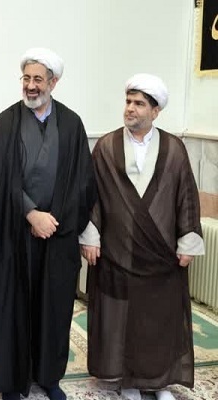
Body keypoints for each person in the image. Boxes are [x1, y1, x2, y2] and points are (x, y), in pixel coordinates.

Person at [0, 48, 96, 400]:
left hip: (56, 235)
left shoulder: (72, 125)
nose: (30, 86)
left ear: (53, 83)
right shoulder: (6, 122)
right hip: (12, 236)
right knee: (10, 309)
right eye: (26, 78)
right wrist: (29, 213)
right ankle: (12, 381)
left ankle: (48, 376)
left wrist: (52, 220)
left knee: (53, 308)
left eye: (38, 79)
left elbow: (83, 182)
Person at [81, 74, 205, 400]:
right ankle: (129, 383)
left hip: (161, 255)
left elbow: (186, 197)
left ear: (155, 111)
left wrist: (188, 240)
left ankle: (158, 383)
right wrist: (90, 236)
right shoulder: (106, 147)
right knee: (122, 320)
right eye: (128, 102)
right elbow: (92, 196)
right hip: (117, 252)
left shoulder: (174, 148)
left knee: (158, 320)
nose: (130, 109)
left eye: (139, 104)